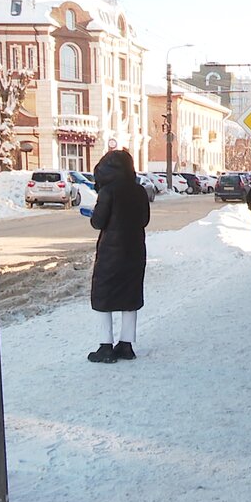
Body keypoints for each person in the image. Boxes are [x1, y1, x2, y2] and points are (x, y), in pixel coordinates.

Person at [87, 149, 150, 363]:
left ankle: (105, 346)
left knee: (103, 296)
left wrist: (95, 211)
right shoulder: (139, 191)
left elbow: (98, 222)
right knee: (130, 297)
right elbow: (144, 220)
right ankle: (126, 345)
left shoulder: (108, 191)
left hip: (111, 253)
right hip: (135, 251)